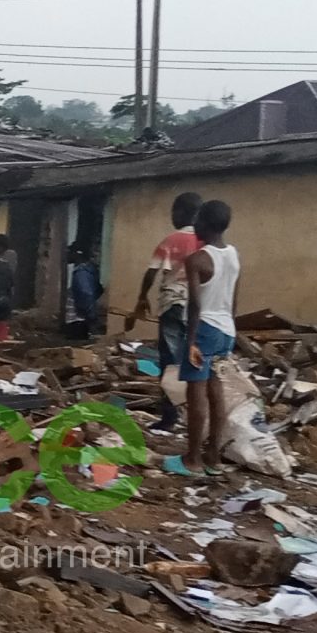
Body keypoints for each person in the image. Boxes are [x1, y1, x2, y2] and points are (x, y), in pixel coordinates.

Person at [119, 192, 204, 434]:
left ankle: (170, 415)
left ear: (181, 213)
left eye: (173, 212)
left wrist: (141, 297)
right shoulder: (205, 242)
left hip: (172, 305)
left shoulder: (171, 240)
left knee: (170, 361)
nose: (172, 217)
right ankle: (193, 413)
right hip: (197, 307)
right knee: (195, 360)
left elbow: (151, 272)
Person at [179, 199, 240, 471]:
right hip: (226, 330)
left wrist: (190, 340)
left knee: (197, 394)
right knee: (217, 392)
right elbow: (234, 298)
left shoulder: (197, 259)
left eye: (198, 221)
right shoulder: (234, 254)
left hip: (203, 330)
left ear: (204, 223)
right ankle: (213, 457)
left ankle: (192, 458)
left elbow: (194, 304)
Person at [64, 246, 103, 339]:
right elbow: (87, 295)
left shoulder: (85, 273)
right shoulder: (84, 273)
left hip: (79, 321)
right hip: (78, 321)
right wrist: (93, 317)